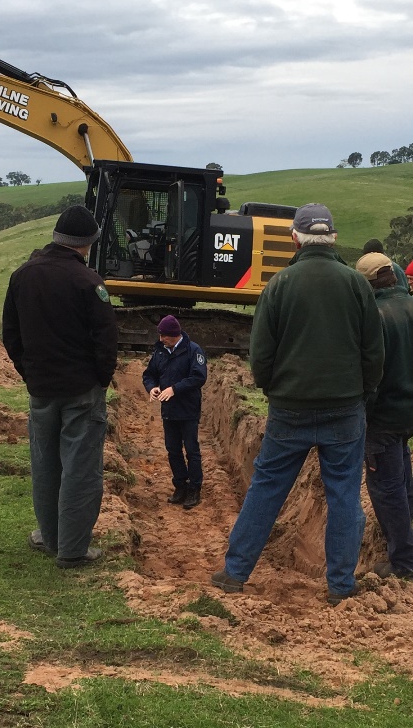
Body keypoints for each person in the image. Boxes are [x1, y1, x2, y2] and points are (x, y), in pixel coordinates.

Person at [211, 203, 384, 606]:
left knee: (267, 487)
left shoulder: (279, 284)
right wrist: (364, 394)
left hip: (290, 407)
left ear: (295, 238)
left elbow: (261, 355)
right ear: (334, 238)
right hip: (345, 406)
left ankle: (235, 574)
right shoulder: (356, 285)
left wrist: (274, 391)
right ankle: (341, 586)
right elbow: (373, 352)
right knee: (343, 493)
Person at [2, 205, 118, 569]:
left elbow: (11, 334)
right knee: (80, 468)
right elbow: (106, 341)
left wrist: (29, 373)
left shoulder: (22, 275)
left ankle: (49, 537)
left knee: (45, 463)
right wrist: (101, 378)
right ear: (87, 244)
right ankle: (72, 549)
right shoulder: (89, 282)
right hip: (81, 390)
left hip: (41, 389)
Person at [355, 252, 413, 580]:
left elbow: (373, 375)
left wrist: (364, 415)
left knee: (385, 487)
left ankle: (403, 562)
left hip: (385, 417)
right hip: (408, 413)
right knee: (403, 475)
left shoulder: (376, 316)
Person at [142, 314, 207, 510]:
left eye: (164, 336)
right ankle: (180, 486)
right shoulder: (160, 352)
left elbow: (198, 377)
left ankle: (194, 489)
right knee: (173, 450)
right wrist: (152, 387)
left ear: (175, 334)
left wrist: (174, 389)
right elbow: (149, 374)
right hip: (169, 410)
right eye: (160, 336)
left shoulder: (193, 351)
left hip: (188, 410)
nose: (161, 339)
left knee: (192, 450)